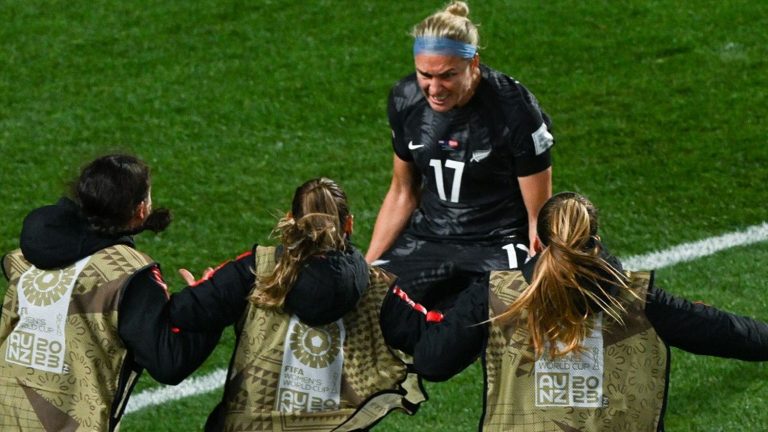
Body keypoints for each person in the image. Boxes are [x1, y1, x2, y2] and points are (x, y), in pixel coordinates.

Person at [381, 192, 768, 431]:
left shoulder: (495, 295)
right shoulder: (639, 302)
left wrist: (382, 297)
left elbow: (433, 361)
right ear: (596, 243)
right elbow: (730, 333)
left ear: (536, 242)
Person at [167, 177, 425, 431]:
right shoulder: (378, 289)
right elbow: (434, 347)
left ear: (292, 220)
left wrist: (200, 294)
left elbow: (182, 312)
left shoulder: (257, 268)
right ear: (349, 224)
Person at [0, 154, 221, 431]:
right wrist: (208, 306)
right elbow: (169, 362)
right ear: (141, 210)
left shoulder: (29, 255)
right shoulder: (127, 274)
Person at [366, 1, 554, 315]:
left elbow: (539, 215)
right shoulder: (405, 99)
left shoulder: (514, 110)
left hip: (497, 242)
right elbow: (402, 192)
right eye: (424, 74)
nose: (434, 88)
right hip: (429, 239)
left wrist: (543, 276)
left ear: (473, 63)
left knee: (515, 324)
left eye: (447, 76)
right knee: (367, 307)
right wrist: (368, 266)